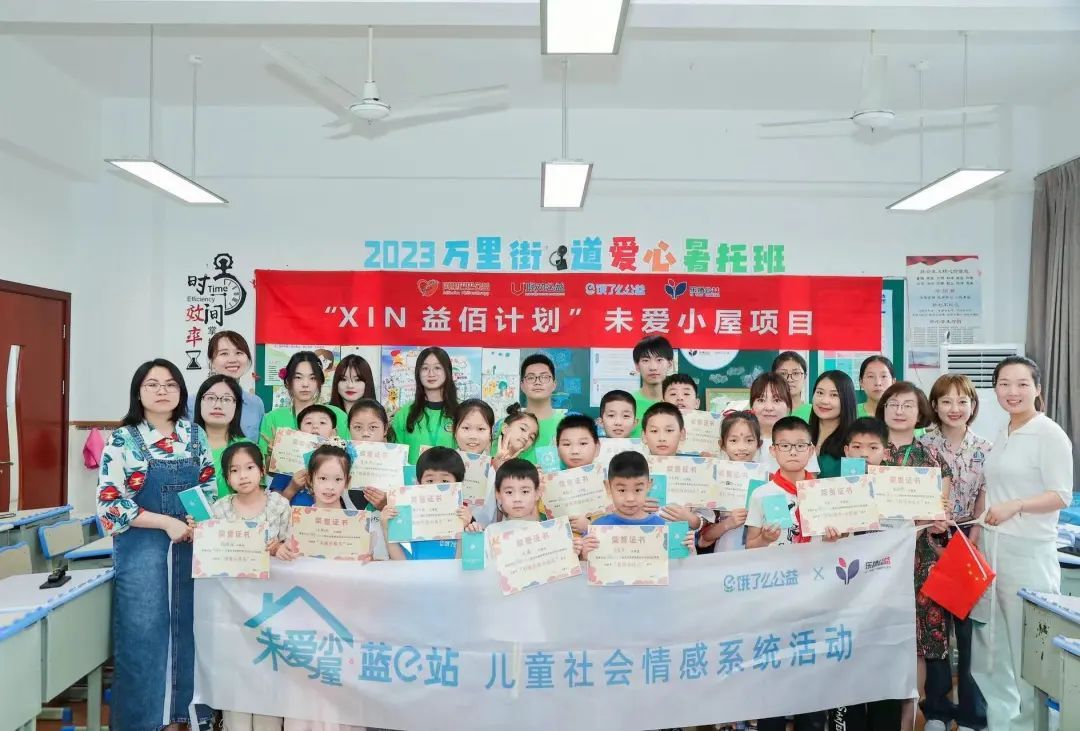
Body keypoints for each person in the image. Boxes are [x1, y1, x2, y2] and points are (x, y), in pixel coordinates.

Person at [96, 358, 216, 731]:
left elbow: (208, 487)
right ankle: (142, 722)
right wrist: (165, 522)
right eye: (152, 384)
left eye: (170, 384)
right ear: (138, 392)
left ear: (181, 391)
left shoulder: (194, 434)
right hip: (142, 548)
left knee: (191, 629)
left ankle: (185, 718)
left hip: (192, 547)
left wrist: (199, 520)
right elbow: (109, 506)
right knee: (143, 632)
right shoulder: (122, 438)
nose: (162, 390)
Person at [973, 356, 1073, 731]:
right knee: (992, 645)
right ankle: (1001, 722)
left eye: (1021, 384)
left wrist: (1016, 505)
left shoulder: (1049, 434)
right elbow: (994, 487)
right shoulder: (1003, 432)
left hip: (1028, 552)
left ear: (1037, 389)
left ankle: (1032, 724)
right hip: (992, 549)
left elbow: (1061, 495)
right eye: (1004, 384)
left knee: (1028, 649)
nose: (1012, 392)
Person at [876, 381, 954, 731]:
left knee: (918, 642)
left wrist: (937, 520)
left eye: (908, 405)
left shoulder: (932, 459)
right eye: (893, 403)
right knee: (879, 637)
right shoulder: (869, 452)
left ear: (920, 411)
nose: (900, 410)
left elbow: (941, 512)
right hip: (876, 559)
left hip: (919, 560)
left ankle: (909, 721)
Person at [920, 373, 991, 731]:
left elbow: (986, 495)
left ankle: (972, 713)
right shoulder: (923, 444)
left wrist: (974, 536)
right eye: (946, 401)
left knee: (967, 630)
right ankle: (937, 710)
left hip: (968, 535)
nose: (954, 408)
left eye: (963, 401)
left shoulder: (986, 447)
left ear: (973, 406)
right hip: (928, 537)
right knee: (935, 628)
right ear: (934, 405)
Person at [828, 417, 904, 731]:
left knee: (885, 673)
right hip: (845, 600)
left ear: (886, 452)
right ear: (846, 451)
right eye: (857, 447)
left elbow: (912, 534)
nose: (864, 454)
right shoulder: (830, 492)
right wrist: (831, 536)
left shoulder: (900, 490)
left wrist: (933, 521)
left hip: (888, 599)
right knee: (846, 670)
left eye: (873, 448)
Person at [581, 450, 696, 557]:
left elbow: (677, 566)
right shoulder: (597, 528)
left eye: (637, 490)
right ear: (608, 487)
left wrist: (688, 551)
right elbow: (587, 566)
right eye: (622, 490)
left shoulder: (663, 528)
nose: (630, 498)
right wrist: (585, 556)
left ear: (649, 485)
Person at [259, 351, 350, 470]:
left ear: (320, 381)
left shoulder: (338, 416)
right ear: (288, 381)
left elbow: (350, 460)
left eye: (312, 378)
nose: (305, 384)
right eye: (298, 377)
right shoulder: (272, 418)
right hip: (286, 482)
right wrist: (272, 455)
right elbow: (261, 469)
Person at [381, 446, 475, 560]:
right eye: (430, 481)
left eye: (445, 481)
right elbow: (401, 561)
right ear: (418, 483)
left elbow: (461, 563)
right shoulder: (411, 517)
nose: (436, 486)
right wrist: (387, 528)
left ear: (459, 484)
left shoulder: (464, 518)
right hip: (417, 572)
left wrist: (463, 529)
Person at [746, 416, 819, 549]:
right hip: (777, 562)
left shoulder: (822, 492)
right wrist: (764, 539)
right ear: (773, 451)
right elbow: (749, 546)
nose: (793, 452)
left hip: (816, 561)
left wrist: (834, 537)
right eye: (785, 446)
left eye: (800, 446)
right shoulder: (761, 494)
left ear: (811, 451)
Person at [640, 402, 711, 532]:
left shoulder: (696, 471)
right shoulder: (633, 469)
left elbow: (705, 519)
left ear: (682, 434)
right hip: (644, 541)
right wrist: (634, 506)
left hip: (683, 542)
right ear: (644, 436)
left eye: (669, 430)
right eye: (654, 431)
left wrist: (691, 519)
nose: (662, 438)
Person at [697, 411, 761, 553]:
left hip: (761, 558)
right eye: (733, 440)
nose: (742, 447)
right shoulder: (714, 480)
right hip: (724, 557)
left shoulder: (767, 479)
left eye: (749, 440)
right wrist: (728, 523)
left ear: (759, 443)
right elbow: (703, 539)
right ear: (722, 444)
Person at [185, 330, 264, 442]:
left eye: (239, 353)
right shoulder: (189, 404)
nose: (232, 360)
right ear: (211, 362)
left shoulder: (255, 404)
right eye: (224, 353)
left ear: (248, 359)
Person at [391, 346, 458, 463]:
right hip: (413, 475)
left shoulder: (461, 413)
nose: (431, 373)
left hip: (452, 474)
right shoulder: (404, 414)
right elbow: (395, 458)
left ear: (448, 372)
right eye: (425, 368)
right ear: (418, 373)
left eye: (437, 368)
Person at [751, 372, 820, 474]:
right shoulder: (740, 439)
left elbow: (810, 481)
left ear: (788, 406)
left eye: (777, 400)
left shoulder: (802, 441)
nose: (769, 408)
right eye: (761, 400)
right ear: (752, 405)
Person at [193, 374, 250, 498]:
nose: (218, 405)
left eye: (226, 399)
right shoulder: (182, 446)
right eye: (210, 398)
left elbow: (255, 499)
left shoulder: (249, 448)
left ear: (237, 406)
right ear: (199, 403)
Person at [279, 404, 344, 507]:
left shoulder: (342, 461)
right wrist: (292, 488)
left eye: (322, 422)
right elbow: (274, 507)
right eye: (309, 423)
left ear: (333, 433)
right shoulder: (287, 462)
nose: (315, 426)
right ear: (298, 432)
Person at [514, 353, 566, 464]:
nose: (537, 382)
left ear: (554, 384)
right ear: (522, 386)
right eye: (531, 378)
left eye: (544, 377)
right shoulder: (507, 424)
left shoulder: (568, 425)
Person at [555, 414, 603, 534]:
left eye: (583, 443)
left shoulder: (610, 485)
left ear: (597, 448)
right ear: (557, 450)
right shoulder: (550, 486)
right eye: (567, 444)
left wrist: (590, 528)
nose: (575, 451)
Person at [809, 370, 859, 478]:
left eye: (834, 395)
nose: (824, 400)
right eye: (820, 393)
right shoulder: (802, 435)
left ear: (847, 400)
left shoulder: (854, 442)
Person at [630, 335, 674, 436]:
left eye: (659, 360)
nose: (653, 367)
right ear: (637, 366)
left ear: (670, 364)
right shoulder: (628, 404)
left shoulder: (678, 403)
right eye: (645, 360)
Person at [773, 351, 810, 418]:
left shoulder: (815, 412)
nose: (789, 379)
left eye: (795, 373)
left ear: (805, 377)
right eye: (783, 374)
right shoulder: (767, 411)